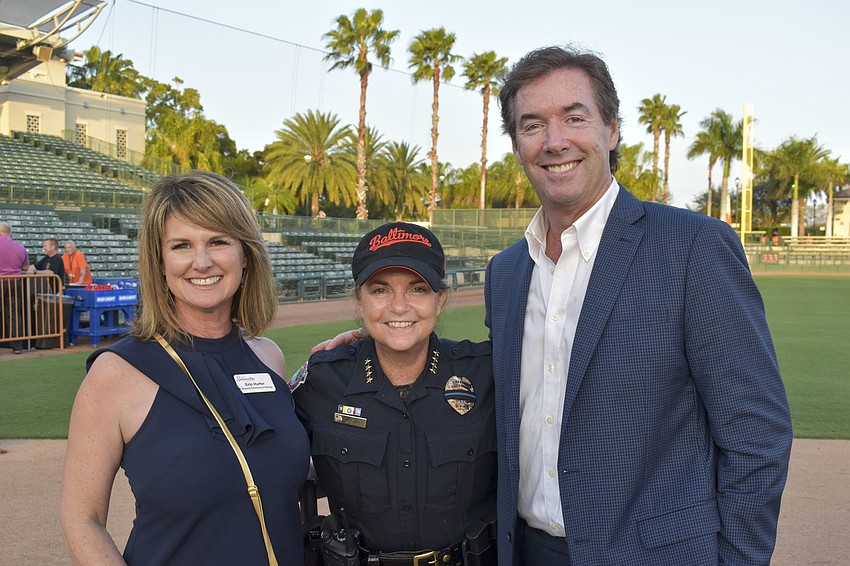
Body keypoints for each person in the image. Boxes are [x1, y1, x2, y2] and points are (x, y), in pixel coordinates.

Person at [483, 46, 793, 565]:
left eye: (574, 118)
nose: (554, 141)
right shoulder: (507, 271)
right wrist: (380, 347)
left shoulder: (693, 247)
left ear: (612, 130)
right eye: (533, 124)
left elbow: (756, 435)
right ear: (517, 146)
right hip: (525, 551)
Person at [60, 171, 310, 565]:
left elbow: (283, 478)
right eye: (181, 245)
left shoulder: (268, 357)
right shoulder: (115, 374)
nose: (202, 261)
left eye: (218, 241)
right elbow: (81, 520)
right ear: (160, 262)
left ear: (245, 255)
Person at [293, 222, 496, 565]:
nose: (399, 307)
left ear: (440, 299)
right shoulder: (320, 381)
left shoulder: (490, 372)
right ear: (360, 300)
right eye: (380, 290)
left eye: (417, 289)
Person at [0, 221, 30, 354]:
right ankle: (17, 347)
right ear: (10, 232)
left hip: (1, 281)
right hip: (15, 283)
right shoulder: (20, 247)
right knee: (13, 315)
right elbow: (25, 268)